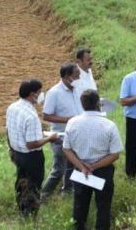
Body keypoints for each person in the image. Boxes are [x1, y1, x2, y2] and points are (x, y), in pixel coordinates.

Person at [63, 90, 123, 230]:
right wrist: (94, 166)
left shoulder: (72, 122)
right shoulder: (109, 125)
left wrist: (82, 167)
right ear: (99, 104)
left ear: (82, 104)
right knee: (103, 207)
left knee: (79, 207)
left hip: (81, 170)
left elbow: (66, 149)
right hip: (103, 170)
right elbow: (115, 154)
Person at [6, 79, 58, 216]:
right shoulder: (31, 116)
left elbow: (10, 130)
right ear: (32, 94)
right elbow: (32, 144)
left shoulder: (12, 107)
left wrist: (11, 148)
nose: (41, 95)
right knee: (33, 186)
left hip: (17, 154)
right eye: (40, 92)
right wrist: (50, 138)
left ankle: (21, 208)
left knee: (21, 181)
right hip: (31, 157)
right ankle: (30, 214)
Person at [42, 63, 83, 197]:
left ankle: (67, 192)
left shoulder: (77, 89)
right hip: (61, 136)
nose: (79, 78)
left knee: (73, 166)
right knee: (59, 169)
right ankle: (43, 195)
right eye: (77, 76)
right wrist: (67, 119)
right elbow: (46, 115)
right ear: (67, 77)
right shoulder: (54, 93)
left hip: (76, 135)